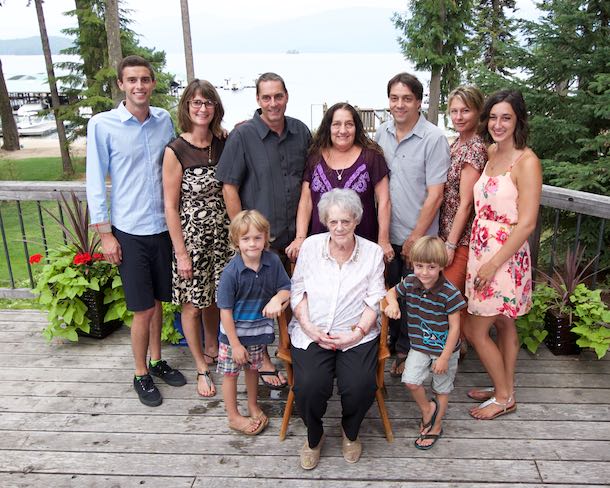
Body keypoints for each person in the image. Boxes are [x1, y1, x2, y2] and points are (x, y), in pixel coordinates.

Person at [86, 55, 185, 407]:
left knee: (159, 302)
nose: (139, 86)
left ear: (153, 83)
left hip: (162, 227)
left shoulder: (163, 121)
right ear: (121, 84)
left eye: (145, 79)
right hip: (128, 230)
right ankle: (140, 373)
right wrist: (105, 234)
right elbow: (95, 181)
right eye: (132, 80)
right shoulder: (103, 124)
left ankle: (157, 361)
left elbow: (177, 163)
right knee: (142, 308)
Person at [216, 72, 311, 389]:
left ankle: (298, 358)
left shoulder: (300, 132)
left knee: (295, 301)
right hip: (259, 243)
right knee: (256, 304)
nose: (273, 103)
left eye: (278, 96)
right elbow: (229, 187)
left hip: (296, 239)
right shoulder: (242, 137)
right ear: (258, 100)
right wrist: (243, 239)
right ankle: (264, 358)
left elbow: (309, 184)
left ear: (286, 96)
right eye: (266, 97)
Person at [289, 188, 386, 470]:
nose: (339, 227)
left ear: (356, 219)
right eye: (333, 222)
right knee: (308, 386)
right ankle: (314, 436)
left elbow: (376, 299)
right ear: (325, 222)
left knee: (360, 385)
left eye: (346, 220)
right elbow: (298, 291)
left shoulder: (372, 253)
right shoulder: (310, 247)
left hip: (355, 333)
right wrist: (308, 327)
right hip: (313, 331)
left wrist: (355, 333)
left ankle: (350, 431)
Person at [464, 90, 542, 420]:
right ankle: (504, 387)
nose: (498, 124)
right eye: (493, 117)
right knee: (505, 326)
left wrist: (494, 263)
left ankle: (503, 397)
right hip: (483, 248)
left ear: (518, 120)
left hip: (504, 258)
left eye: (506, 117)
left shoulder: (527, 162)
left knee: (474, 329)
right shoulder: (492, 152)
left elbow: (526, 224)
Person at [375, 72, 451, 377]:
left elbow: (436, 194)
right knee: (388, 293)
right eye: (394, 98)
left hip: (418, 238)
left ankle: (408, 352)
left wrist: (415, 238)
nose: (400, 104)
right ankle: (389, 345)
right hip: (385, 234)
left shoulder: (433, 139)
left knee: (415, 301)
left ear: (419, 101)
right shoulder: (382, 133)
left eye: (407, 98)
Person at [162, 79, 234, 398]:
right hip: (191, 240)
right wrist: (180, 253)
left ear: (215, 108)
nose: (202, 108)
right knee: (192, 304)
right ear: (187, 108)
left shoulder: (223, 142)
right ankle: (201, 368)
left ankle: (212, 347)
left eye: (208, 102)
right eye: (196, 102)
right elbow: (170, 206)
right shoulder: (175, 150)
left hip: (223, 238)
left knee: (216, 298)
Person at [384, 236, 466, 449]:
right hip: (419, 346)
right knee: (410, 380)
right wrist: (393, 304)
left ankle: (436, 426)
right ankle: (428, 409)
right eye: (419, 266)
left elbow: (455, 328)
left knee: (442, 388)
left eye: (431, 267)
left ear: (441, 266)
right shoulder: (411, 282)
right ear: (413, 264)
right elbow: (391, 292)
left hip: (443, 350)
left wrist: (445, 357)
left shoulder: (450, 293)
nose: (424, 272)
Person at [285, 102, 392, 262]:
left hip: (362, 247)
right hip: (321, 248)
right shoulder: (315, 158)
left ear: (356, 127)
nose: (343, 130)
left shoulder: (371, 157)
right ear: (328, 127)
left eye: (349, 124)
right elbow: (306, 201)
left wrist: (383, 240)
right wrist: (300, 237)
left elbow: (384, 201)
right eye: (336, 124)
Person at [216, 210, 291, 435]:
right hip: (233, 337)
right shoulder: (231, 273)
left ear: (266, 237)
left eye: (257, 238)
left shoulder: (272, 261)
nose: (252, 244)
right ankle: (233, 415)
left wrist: (278, 299)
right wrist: (236, 344)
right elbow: (225, 312)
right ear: (236, 242)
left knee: (253, 370)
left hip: (257, 332)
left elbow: (286, 288)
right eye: (246, 239)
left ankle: (252, 405)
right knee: (231, 374)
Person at [439, 86, 487, 294]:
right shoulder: (457, 143)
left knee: (450, 301)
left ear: (478, 112)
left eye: (465, 111)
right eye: (454, 111)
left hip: (461, 239)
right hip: (445, 233)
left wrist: (451, 245)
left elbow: (466, 203)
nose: (458, 117)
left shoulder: (475, 147)